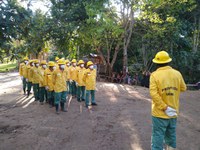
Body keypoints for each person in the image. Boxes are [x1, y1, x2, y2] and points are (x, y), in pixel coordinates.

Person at [150, 51, 187, 150]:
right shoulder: (177, 74)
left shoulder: (154, 75)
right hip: (173, 113)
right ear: (168, 61)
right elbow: (183, 88)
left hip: (159, 113)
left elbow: (153, 94)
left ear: (157, 63)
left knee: (158, 136)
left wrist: (164, 107)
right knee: (171, 136)